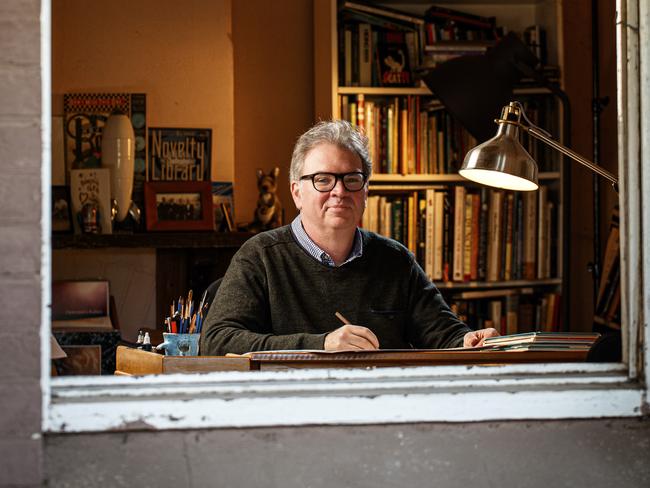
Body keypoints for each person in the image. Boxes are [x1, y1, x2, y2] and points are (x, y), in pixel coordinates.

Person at [200, 120, 498, 356]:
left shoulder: (394, 260)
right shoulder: (261, 255)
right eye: (323, 180)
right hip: (289, 411)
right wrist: (321, 344)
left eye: (351, 180)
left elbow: (442, 334)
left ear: (365, 191)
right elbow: (217, 341)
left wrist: (468, 340)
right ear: (296, 192)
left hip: (380, 412)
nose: (339, 192)